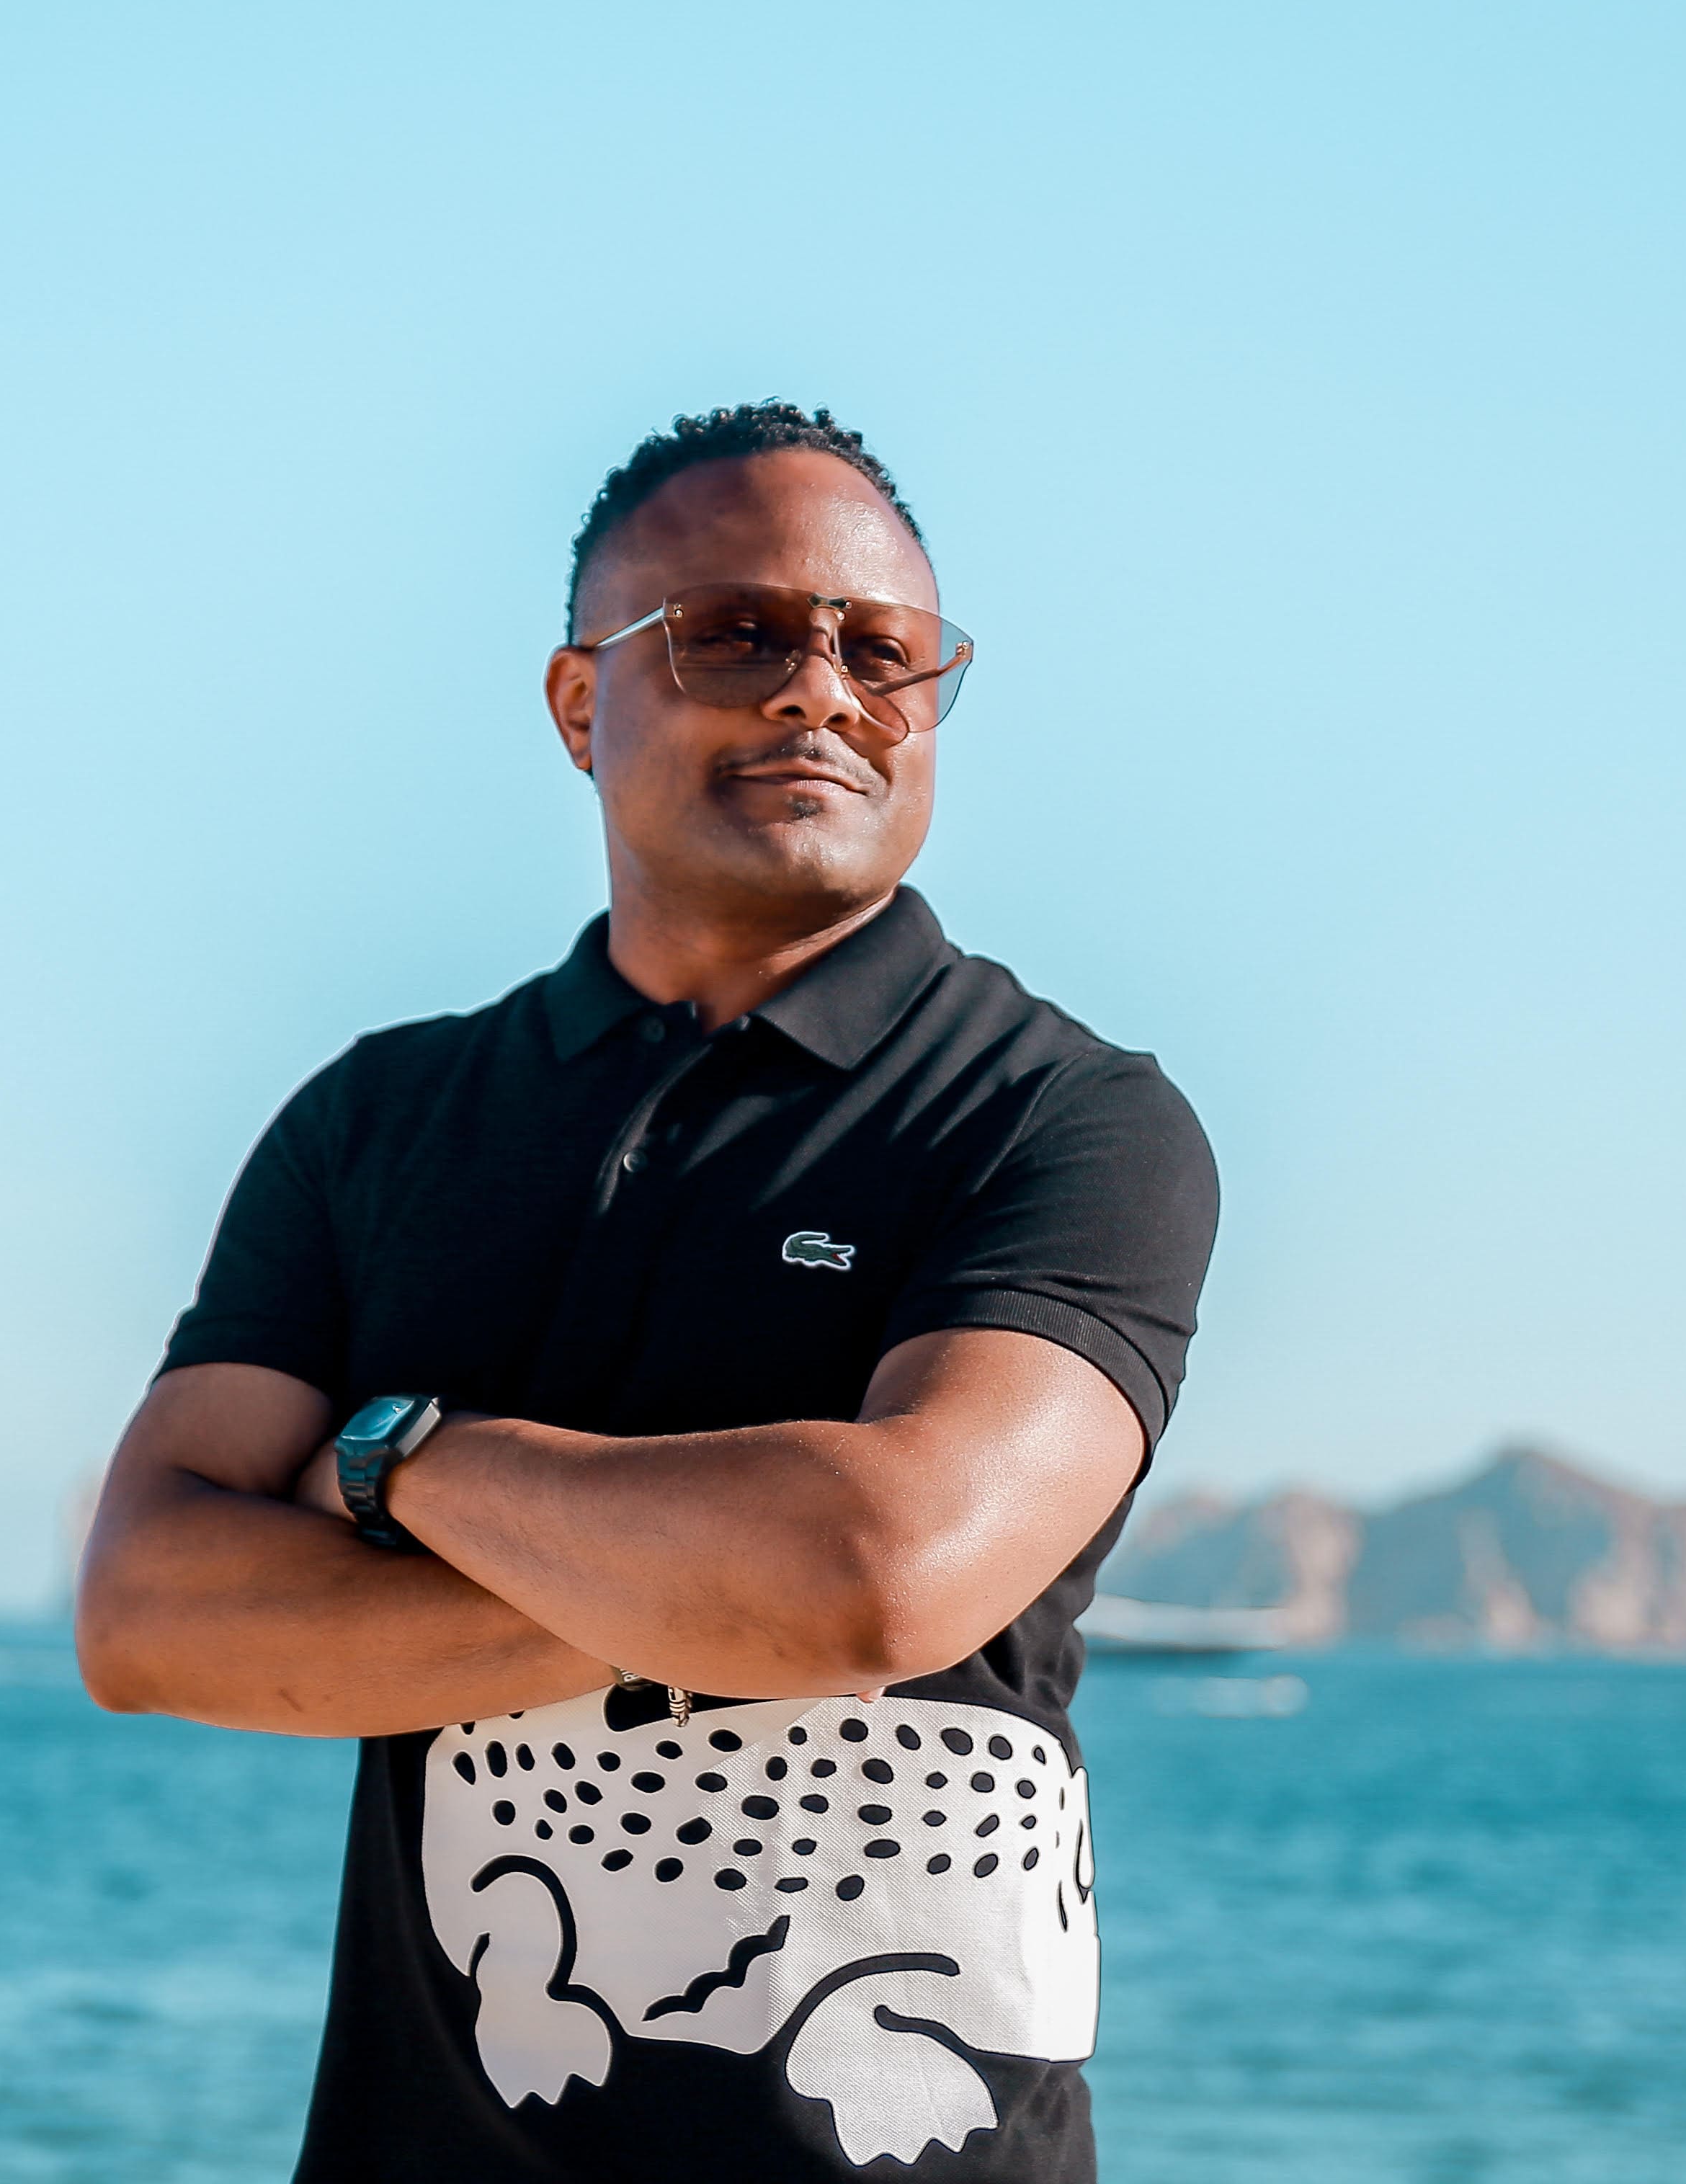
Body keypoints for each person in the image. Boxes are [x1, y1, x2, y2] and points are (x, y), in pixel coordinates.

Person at [75, 404, 1218, 2181]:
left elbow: (875, 1571)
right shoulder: (379, 1121)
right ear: (575, 702)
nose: (820, 692)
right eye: (735, 632)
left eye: (884, 653)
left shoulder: (1066, 1118)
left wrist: (403, 1465)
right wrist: (706, 1584)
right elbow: (148, 1614)